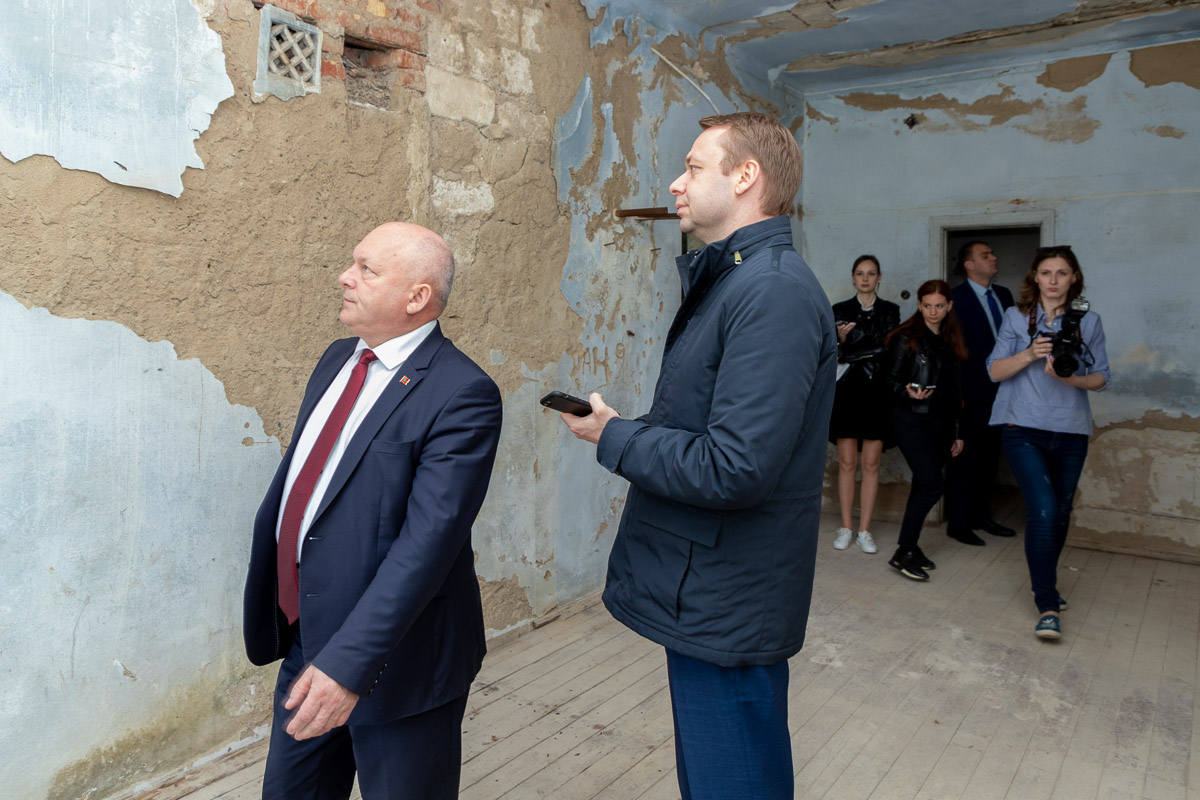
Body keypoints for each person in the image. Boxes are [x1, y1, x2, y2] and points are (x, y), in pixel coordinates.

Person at [559, 112, 835, 800]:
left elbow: (736, 466)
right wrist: (621, 428)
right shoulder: (739, 280)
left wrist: (615, 437)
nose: (675, 185)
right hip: (709, 589)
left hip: (728, 596)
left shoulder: (771, 290)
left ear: (746, 177)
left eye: (692, 168)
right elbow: (708, 429)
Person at [242, 222, 503, 799]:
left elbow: (425, 548)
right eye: (351, 263)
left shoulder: (463, 393)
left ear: (416, 297)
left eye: (367, 269)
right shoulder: (338, 359)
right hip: (310, 638)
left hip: (401, 662)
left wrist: (348, 666)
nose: (345, 277)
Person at [987, 245, 1109, 640]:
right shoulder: (1015, 317)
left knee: (1059, 513)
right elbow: (994, 371)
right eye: (1046, 273)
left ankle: (1045, 583)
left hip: (1071, 428)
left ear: (1074, 278)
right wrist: (1028, 354)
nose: (1053, 280)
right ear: (1035, 278)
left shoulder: (1089, 322)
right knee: (1042, 512)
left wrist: (1070, 378)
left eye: (1062, 273)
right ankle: (1048, 605)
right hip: (1022, 426)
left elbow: (1102, 377)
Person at [883, 279, 966, 581]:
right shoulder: (906, 338)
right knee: (932, 484)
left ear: (949, 306)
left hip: (940, 424)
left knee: (923, 484)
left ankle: (910, 546)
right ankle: (903, 552)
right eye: (927, 305)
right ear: (919, 305)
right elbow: (888, 381)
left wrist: (957, 431)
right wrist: (906, 392)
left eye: (939, 306)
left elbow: (955, 393)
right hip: (910, 420)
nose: (933, 311)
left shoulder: (949, 339)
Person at [946, 240, 1016, 545]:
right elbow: (951, 350)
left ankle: (981, 515)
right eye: (985, 255)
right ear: (969, 265)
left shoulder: (1004, 295)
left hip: (1003, 390)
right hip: (970, 392)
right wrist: (956, 393)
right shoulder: (955, 298)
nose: (993, 257)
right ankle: (958, 522)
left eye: (992, 253)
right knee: (965, 458)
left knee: (990, 458)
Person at [829, 255, 900, 554]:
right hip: (847, 392)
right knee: (847, 463)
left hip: (877, 393)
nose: (866, 278)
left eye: (871, 273)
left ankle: (865, 530)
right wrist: (841, 341)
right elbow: (832, 353)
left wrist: (852, 348)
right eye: (860, 273)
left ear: (879, 277)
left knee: (871, 464)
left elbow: (888, 350)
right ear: (853, 277)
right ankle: (846, 526)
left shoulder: (890, 310)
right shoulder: (839, 309)